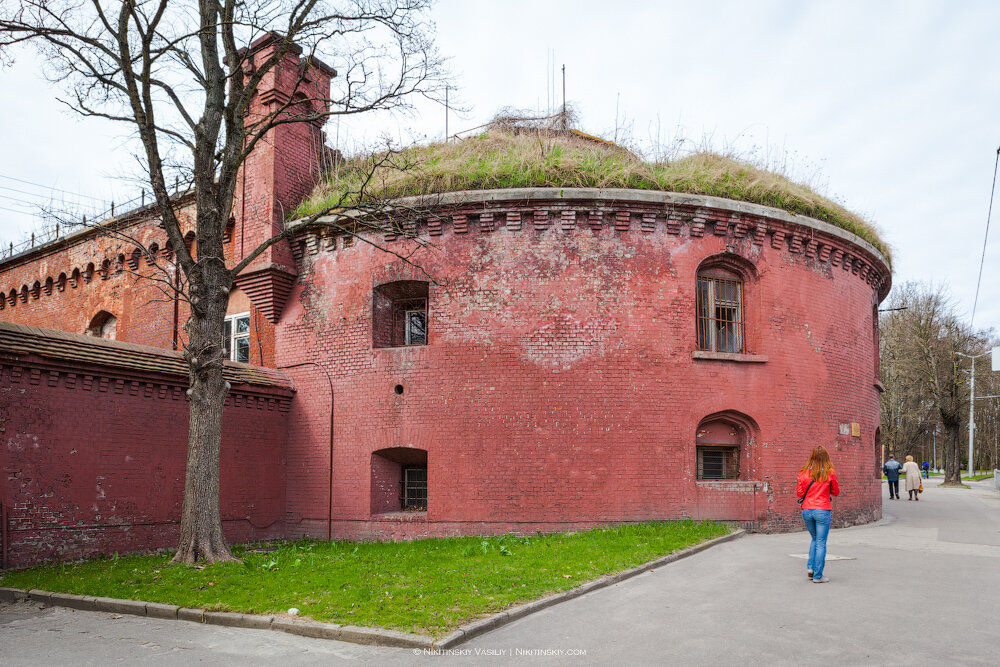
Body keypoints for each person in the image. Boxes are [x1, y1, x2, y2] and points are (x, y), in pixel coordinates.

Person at [796, 446, 840, 583]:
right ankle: (818, 576)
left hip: (807, 510)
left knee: (814, 539)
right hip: (822, 509)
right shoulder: (829, 472)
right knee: (821, 542)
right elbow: (836, 491)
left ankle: (811, 568)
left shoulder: (803, 472)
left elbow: (799, 493)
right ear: (826, 457)